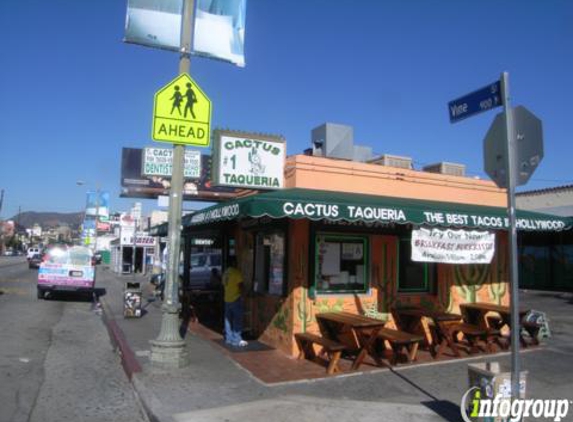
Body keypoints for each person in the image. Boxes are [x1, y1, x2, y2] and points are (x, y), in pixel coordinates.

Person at [222, 256, 248, 347]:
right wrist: (244, 296)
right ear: (233, 263)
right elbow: (240, 286)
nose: (237, 264)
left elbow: (225, 285)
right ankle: (236, 339)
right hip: (235, 299)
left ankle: (228, 339)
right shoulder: (236, 273)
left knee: (228, 320)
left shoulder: (225, 273)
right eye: (236, 262)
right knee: (237, 319)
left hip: (227, 299)